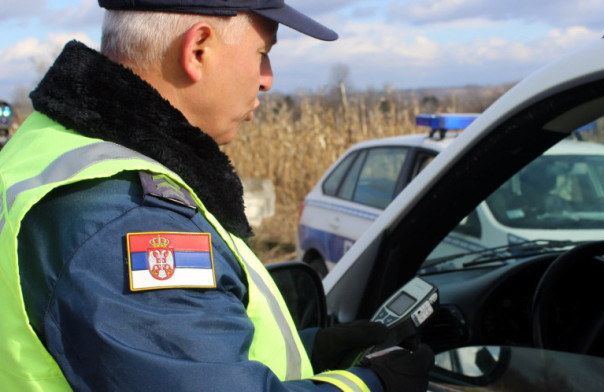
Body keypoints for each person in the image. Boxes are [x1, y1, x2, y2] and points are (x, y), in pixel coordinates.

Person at [0, 1, 434, 391]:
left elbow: (149, 359)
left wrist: (314, 352)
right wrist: (370, 386)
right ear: (198, 49)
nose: (267, 81)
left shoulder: (49, 147)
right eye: (263, 54)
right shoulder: (131, 216)